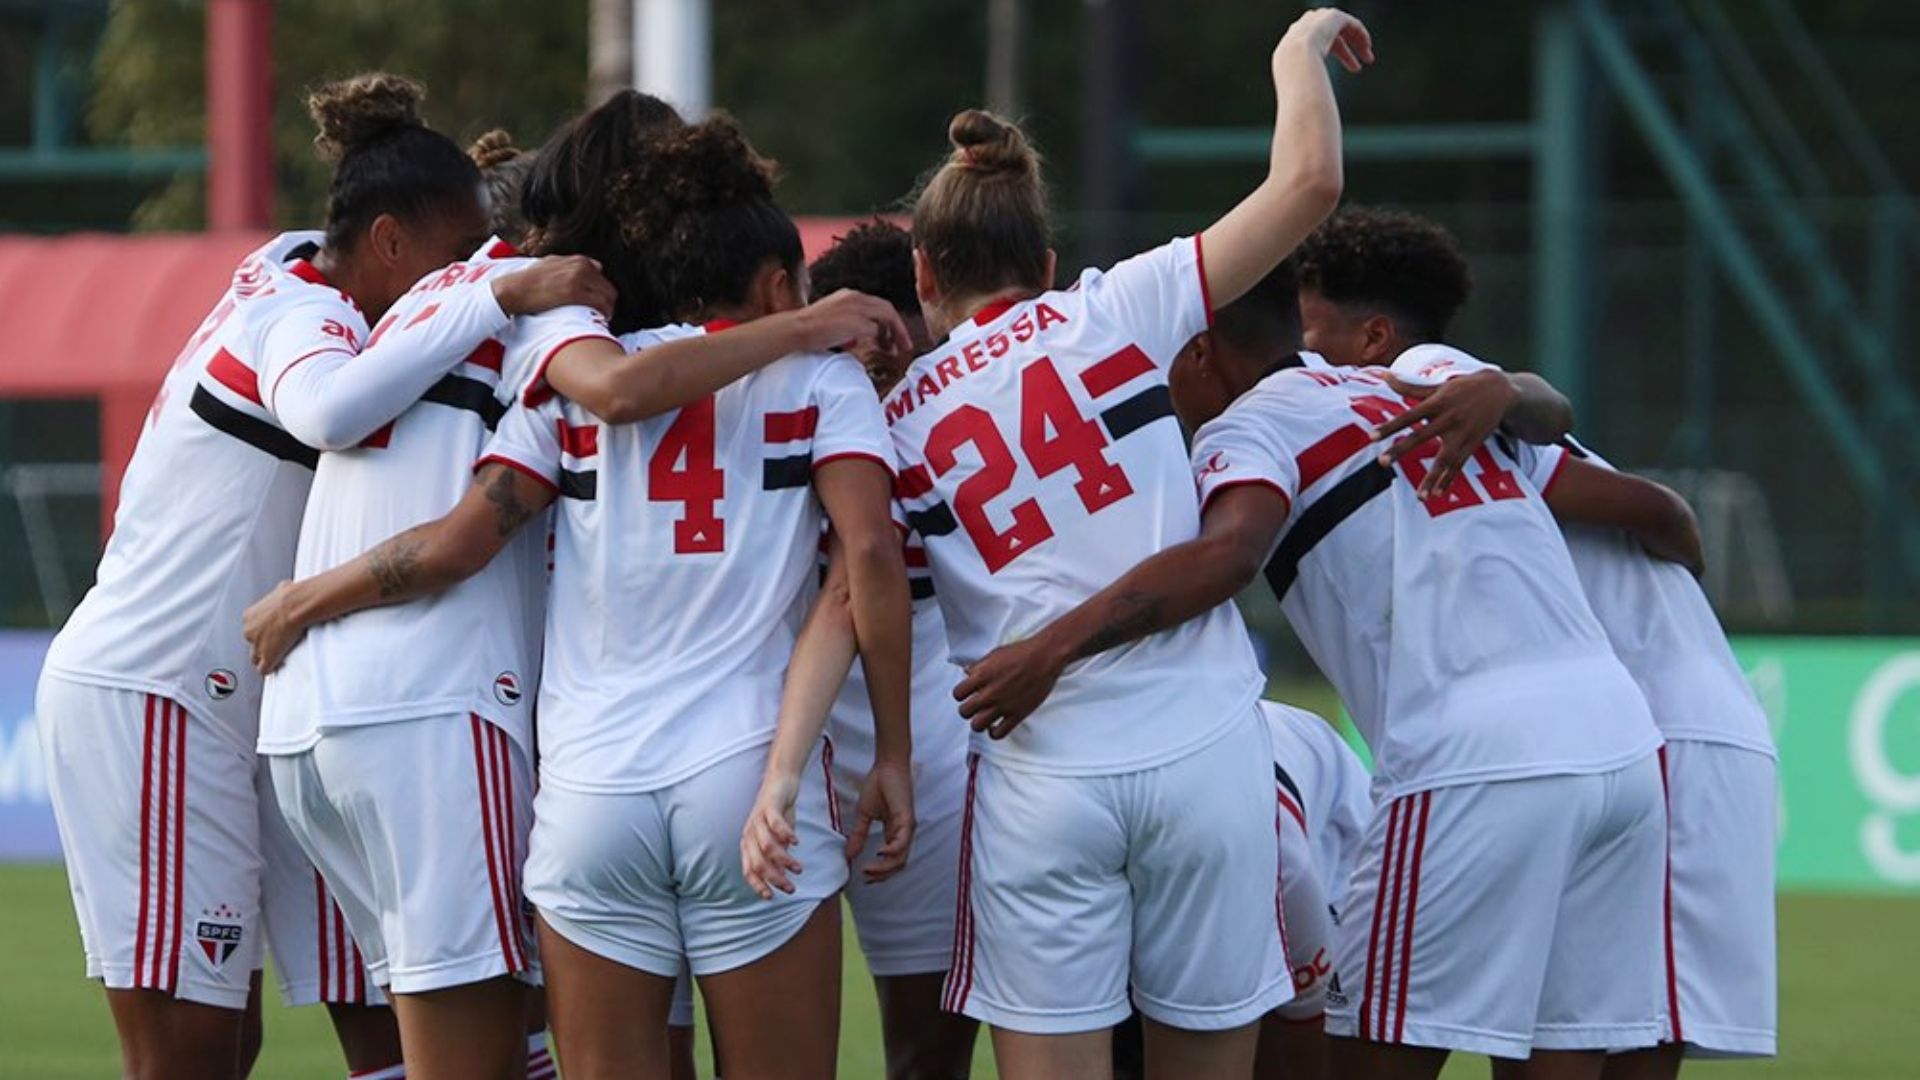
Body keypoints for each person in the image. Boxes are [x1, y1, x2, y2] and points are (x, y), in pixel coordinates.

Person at [247, 94, 912, 1080]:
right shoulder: (812, 373)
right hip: (739, 772)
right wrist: (891, 750)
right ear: (777, 283)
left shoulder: (549, 362)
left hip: (587, 789)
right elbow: (865, 566)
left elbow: (466, 535)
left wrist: (306, 596)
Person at [954, 250, 1697, 1078]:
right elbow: (1631, 491)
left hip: (1476, 761)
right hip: (1624, 750)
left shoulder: (1250, 426)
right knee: (1562, 1053)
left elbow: (1230, 554)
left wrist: (1050, 649)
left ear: (1197, 351)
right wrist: (1511, 387)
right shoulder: (1402, 385)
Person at [33, 72, 609, 1080]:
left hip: (273, 704)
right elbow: (329, 412)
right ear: (388, 242)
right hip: (165, 691)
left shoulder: (308, 288)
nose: (459, 277)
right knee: (194, 1052)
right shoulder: (301, 314)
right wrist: (498, 290)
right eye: (453, 255)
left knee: (377, 1026)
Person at [882, 11, 1375, 1078]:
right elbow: (1309, 185)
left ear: (922, 274)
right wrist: (1295, 49)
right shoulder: (1117, 306)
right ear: (1046, 261)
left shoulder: (898, 416)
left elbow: (861, 595)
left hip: (1040, 778)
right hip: (1203, 759)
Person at [1299, 209, 1779, 1073]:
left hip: (1659, 726)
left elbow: (1665, 512)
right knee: (1570, 1036)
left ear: (1373, 337)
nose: (1297, 352)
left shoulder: (1426, 382)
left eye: (1309, 330)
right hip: (1633, 733)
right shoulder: (1422, 415)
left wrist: (1508, 390)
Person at [740, 219, 979, 1080]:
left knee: (925, 1052)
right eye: (871, 365)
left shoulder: (957, 426)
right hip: (773, 723)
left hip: (929, 726)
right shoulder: (775, 409)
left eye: (908, 361)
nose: (891, 386)